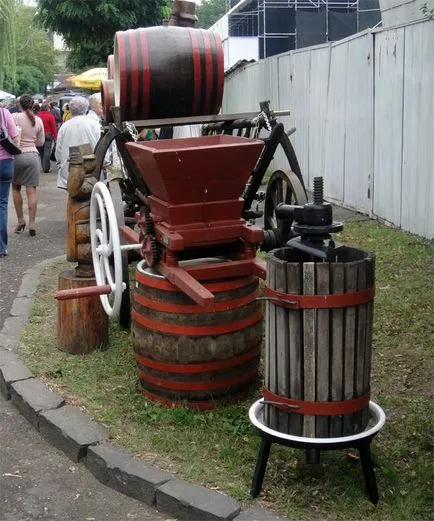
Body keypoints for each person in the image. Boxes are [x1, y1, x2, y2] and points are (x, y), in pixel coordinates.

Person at [11, 94, 45, 237]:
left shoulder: (15, 117)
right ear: (32, 105)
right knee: (31, 191)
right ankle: (32, 223)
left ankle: (20, 220)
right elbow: (40, 143)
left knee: (16, 187)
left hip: (16, 156)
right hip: (32, 156)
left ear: (20, 105)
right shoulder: (38, 120)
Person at [55, 96, 101, 190]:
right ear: (86, 108)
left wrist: (60, 163)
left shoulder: (65, 126)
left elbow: (59, 149)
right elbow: (99, 145)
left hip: (69, 170)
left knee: (72, 194)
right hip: (91, 169)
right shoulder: (94, 124)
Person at [0, 105, 20, 257]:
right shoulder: (4, 112)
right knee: (2, 204)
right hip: (5, 163)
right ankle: (1, 247)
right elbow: (15, 137)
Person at [37, 102, 58, 173]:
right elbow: (53, 127)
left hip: (39, 135)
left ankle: (43, 166)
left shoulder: (37, 115)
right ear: (47, 108)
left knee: (41, 152)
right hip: (48, 135)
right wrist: (56, 137)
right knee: (47, 152)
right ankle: (46, 168)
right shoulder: (50, 115)